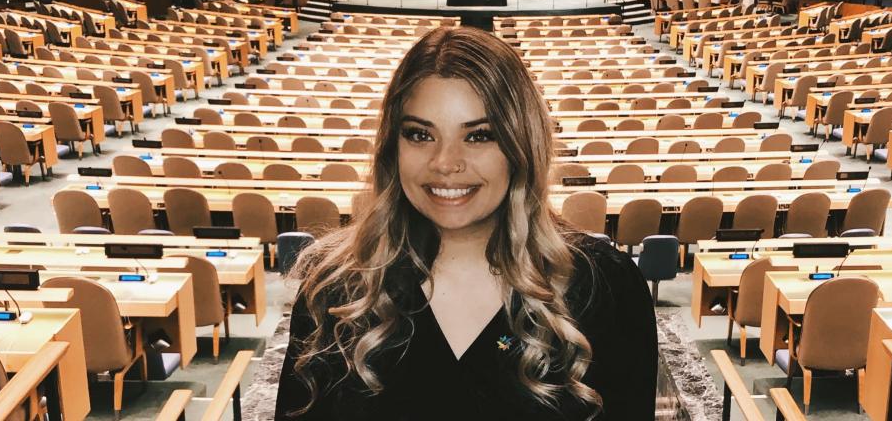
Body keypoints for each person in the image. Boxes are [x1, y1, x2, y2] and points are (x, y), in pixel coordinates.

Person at [275, 26, 657, 420]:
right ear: (393, 145)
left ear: (520, 145)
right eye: (420, 134)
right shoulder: (335, 289)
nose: (445, 162)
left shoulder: (604, 286)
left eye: (479, 136)